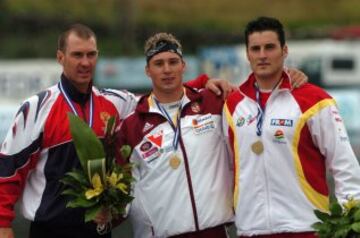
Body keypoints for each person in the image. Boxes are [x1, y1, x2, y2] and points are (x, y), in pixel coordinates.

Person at [0, 24, 231, 238]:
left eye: (91, 55)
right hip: (51, 229)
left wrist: (202, 83)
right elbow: (8, 168)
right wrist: (3, 224)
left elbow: (163, 96)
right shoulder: (37, 107)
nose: (85, 62)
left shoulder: (117, 103)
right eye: (77, 55)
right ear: (60, 57)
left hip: (99, 229)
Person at [223, 16, 360, 237]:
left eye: (270, 47)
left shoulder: (315, 100)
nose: (263, 55)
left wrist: (351, 219)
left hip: (306, 226)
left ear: (284, 50)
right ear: (247, 54)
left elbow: (343, 163)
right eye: (255, 49)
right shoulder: (232, 105)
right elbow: (228, 167)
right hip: (251, 228)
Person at [116, 32, 234, 238]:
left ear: (183, 65)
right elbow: (120, 189)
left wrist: (290, 76)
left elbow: (257, 99)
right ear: (147, 70)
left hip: (215, 231)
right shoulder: (132, 126)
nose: (167, 69)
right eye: (159, 64)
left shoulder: (213, 102)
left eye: (173, 62)